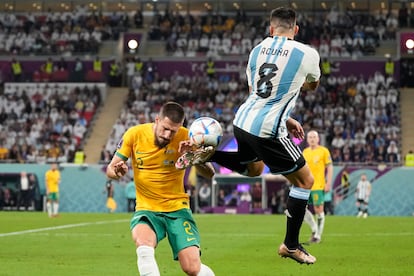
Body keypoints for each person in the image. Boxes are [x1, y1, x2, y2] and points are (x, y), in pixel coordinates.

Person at [176, 7, 320, 264]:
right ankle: (291, 245)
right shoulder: (307, 54)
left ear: (271, 28)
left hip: (242, 120)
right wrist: (287, 111)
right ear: (296, 30)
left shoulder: (256, 51)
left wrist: (285, 117)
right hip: (268, 129)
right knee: (305, 181)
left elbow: (259, 92)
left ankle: (210, 154)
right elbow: (311, 84)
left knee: (254, 170)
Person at [106, 102, 215, 276]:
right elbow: (110, 169)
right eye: (164, 128)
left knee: (192, 268)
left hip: (177, 209)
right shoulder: (135, 134)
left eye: (173, 131)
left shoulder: (187, 137)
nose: (167, 135)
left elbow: (210, 173)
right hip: (147, 208)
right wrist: (117, 171)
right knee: (143, 244)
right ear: (157, 120)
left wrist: (192, 157)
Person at [302, 130, 333, 244]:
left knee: (318, 209)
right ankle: (314, 229)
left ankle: (318, 236)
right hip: (306, 186)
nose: (312, 139)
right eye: (310, 137)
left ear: (318, 139)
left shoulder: (324, 151)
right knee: (301, 209)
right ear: (307, 139)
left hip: (318, 185)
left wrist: (328, 183)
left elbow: (329, 167)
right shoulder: (305, 152)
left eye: (314, 137)